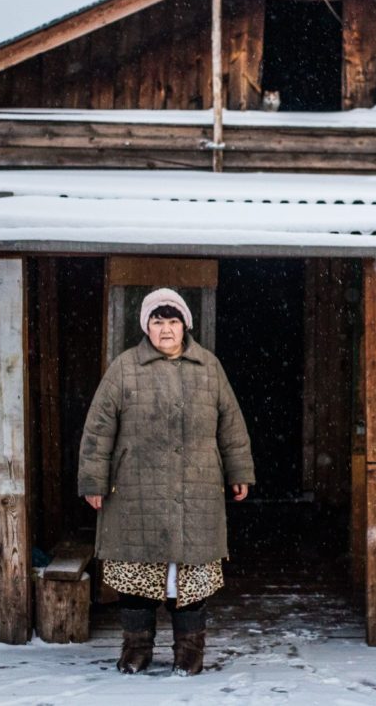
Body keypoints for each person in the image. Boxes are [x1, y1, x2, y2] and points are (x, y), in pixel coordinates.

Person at [78, 287, 255, 676]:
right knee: (136, 576)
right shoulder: (125, 368)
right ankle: (136, 649)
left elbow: (231, 425)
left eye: (173, 321)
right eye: (157, 322)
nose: (166, 329)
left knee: (191, 577)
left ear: (185, 325)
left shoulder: (208, 367)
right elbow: (98, 429)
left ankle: (189, 652)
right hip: (135, 490)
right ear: (146, 326)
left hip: (197, 488)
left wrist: (240, 471)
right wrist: (93, 481)